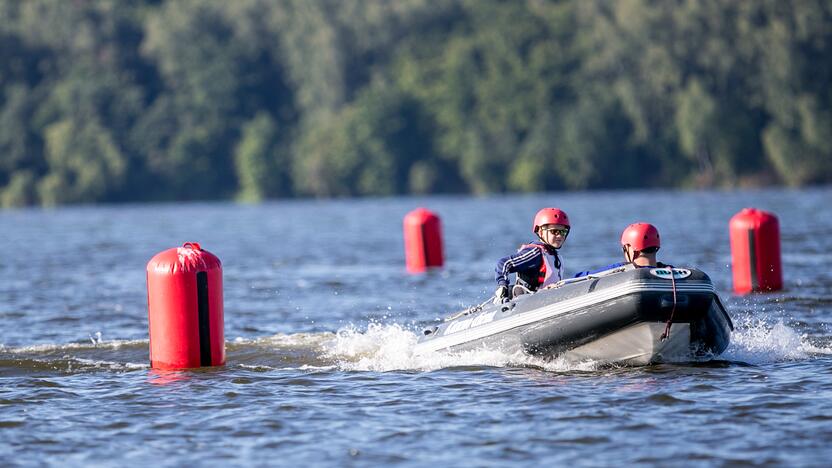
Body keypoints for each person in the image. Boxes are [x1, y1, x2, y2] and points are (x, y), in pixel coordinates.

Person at [493, 208, 570, 303]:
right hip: (526, 304)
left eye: (563, 232)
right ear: (541, 232)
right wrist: (502, 285)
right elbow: (503, 263)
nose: (559, 236)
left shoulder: (555, 256)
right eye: (554, 231)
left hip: (549, 300)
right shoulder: (535, 252)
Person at [574, 222, 667, 277]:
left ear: (631, 248)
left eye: (624, 248)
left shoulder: (620, 269)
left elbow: (580, 277)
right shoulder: (672, 271)